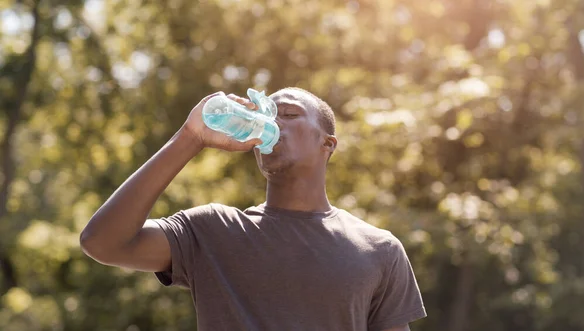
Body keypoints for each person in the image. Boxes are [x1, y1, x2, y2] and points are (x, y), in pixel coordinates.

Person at [80, 87, 427, 331]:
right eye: (265, 115)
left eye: (289, 114)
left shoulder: (380, 249)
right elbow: (102, 243)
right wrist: (190, 136)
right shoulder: (212, 231)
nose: (271, 125)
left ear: (328, 143)